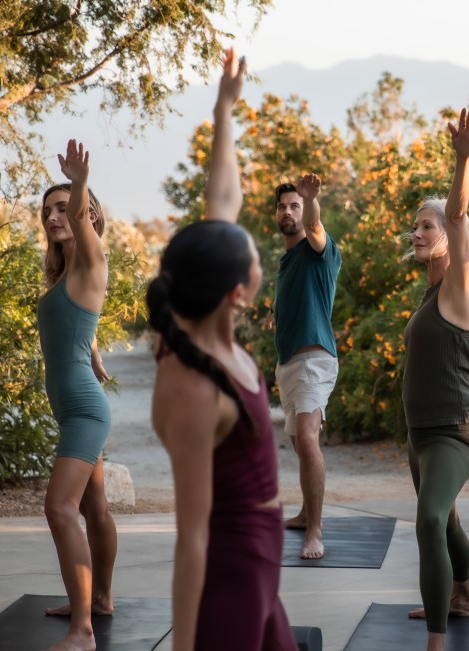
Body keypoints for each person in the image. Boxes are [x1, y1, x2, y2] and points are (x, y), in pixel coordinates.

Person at [147, 48, 296, 651]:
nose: (258, 254)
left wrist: (224, 111)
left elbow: (223, 202)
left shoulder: (200, 327)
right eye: (254, 258)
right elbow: (191, 537)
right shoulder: (193, 384)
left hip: (260, 557)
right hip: (231, 569)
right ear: (238, 292)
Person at [401, 107, 469, 651]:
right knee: (448, 522)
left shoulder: (460, 287)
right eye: (415, 226)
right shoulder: (430, 295)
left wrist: (462, 161)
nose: (417, 232)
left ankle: (436, 642)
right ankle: (461, 596)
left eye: (425, 226)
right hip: (419, 436)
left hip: (454, 433)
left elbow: (457, 216)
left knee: (429, 521)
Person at [37, 141, 117, 651]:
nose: (52, 217)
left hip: (85, 410)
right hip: (73, 408)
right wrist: (93, 350)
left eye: (63, 209)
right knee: (94, 508)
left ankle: (83, 630)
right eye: (47, 211)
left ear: (86, 215)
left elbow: (85, 227)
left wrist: (80, 182)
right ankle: (100, 599)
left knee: (59, 508)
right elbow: (79, 322)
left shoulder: (90, 260)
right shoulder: (67, 275)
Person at [272, 174, 342, 560]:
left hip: (314, 361)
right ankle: (304, 514)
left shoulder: (320, 251)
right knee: (300, 443)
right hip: (289, 364)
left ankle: (315, 531)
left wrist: (312, 199)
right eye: (283, 206)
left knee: (308, 438)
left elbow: (315, 228)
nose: (288, 211)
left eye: (295, 206)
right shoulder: (287, 262)